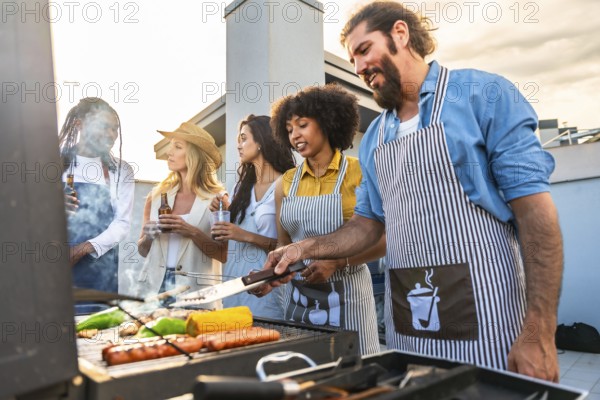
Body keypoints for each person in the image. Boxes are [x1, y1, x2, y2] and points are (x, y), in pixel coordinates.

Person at [262, 1, 563, 382]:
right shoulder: (374, 138)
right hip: (409, 321)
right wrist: (302, 248)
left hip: (488, 316)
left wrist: (540, 331)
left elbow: (536, 215)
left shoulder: (482, 95)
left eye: (364, 49)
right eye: (352, 58)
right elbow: (367, 226)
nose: (358, 67)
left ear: (400, 34)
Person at [255, 84, 386, 355]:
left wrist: (339, 261)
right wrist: (270, 277)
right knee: (307, 373)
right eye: (289, 129)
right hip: (299, 301)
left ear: (327, 122)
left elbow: (385, 238)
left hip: (350, 299)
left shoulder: (359, 172)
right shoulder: (285, 183)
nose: (295, 135)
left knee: (354, 378)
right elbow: (284, 244)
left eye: (302, 125)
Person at [209, 115, 295, 319]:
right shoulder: (241, 187)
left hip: (266, 290)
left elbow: (291, 247)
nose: (239, 145)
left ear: (261, 142)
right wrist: (225, 211)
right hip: (233, 285)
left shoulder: (286, 184)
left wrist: (244, 235)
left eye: (244, 138)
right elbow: (231, 238)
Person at [136, 122, 227, 308]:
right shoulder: (155, 196)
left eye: (178, 147)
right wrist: (149, 236)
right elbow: (142, 250)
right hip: (155, 288)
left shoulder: (217, 200)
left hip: (195, 291)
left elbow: (222, 254)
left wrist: (191, 231)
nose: (169, 152)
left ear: (194, 155)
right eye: (171, 145)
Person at [59, 97, 135, 294]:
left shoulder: (121, 170)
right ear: (80, 124)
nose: (111, 134)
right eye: (104, 126)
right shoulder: (54, 162)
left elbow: (122, 224)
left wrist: (82, 249)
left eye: (115, 129)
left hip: (101, 275)